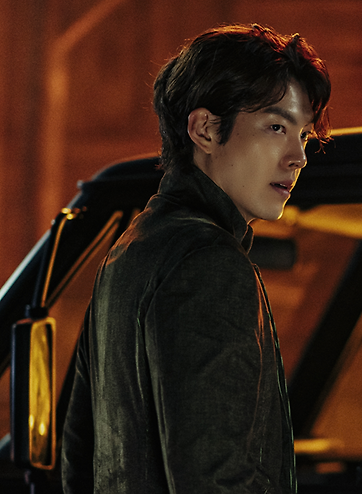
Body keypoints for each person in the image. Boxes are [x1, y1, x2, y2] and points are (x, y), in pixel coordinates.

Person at [61, 23, 331, 493]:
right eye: (276, 127)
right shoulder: (210, 265)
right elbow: (215, 480)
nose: (298, 156)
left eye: (303, 135)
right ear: (205, 129)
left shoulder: (130, 250)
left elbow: (79, 462)